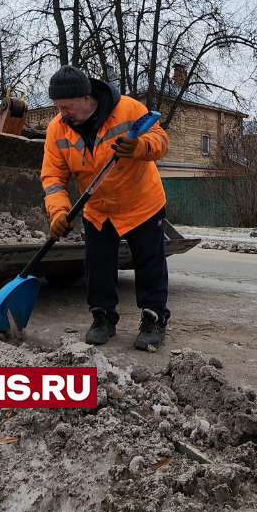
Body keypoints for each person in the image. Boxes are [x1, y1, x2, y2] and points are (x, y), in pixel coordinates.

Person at [41, 64, 171, 351]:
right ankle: (102, 318)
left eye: (68, 106)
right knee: (97, 264)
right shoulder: (57, 129)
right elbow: (53, 178)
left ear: (87, 99)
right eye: (58, 107)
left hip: (141, 202)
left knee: (149, 262)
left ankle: (153, 318)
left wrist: (140, 147)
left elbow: (160, 140)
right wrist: (58, 212)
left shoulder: (128, 109)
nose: (62, 114)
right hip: (97, 206)